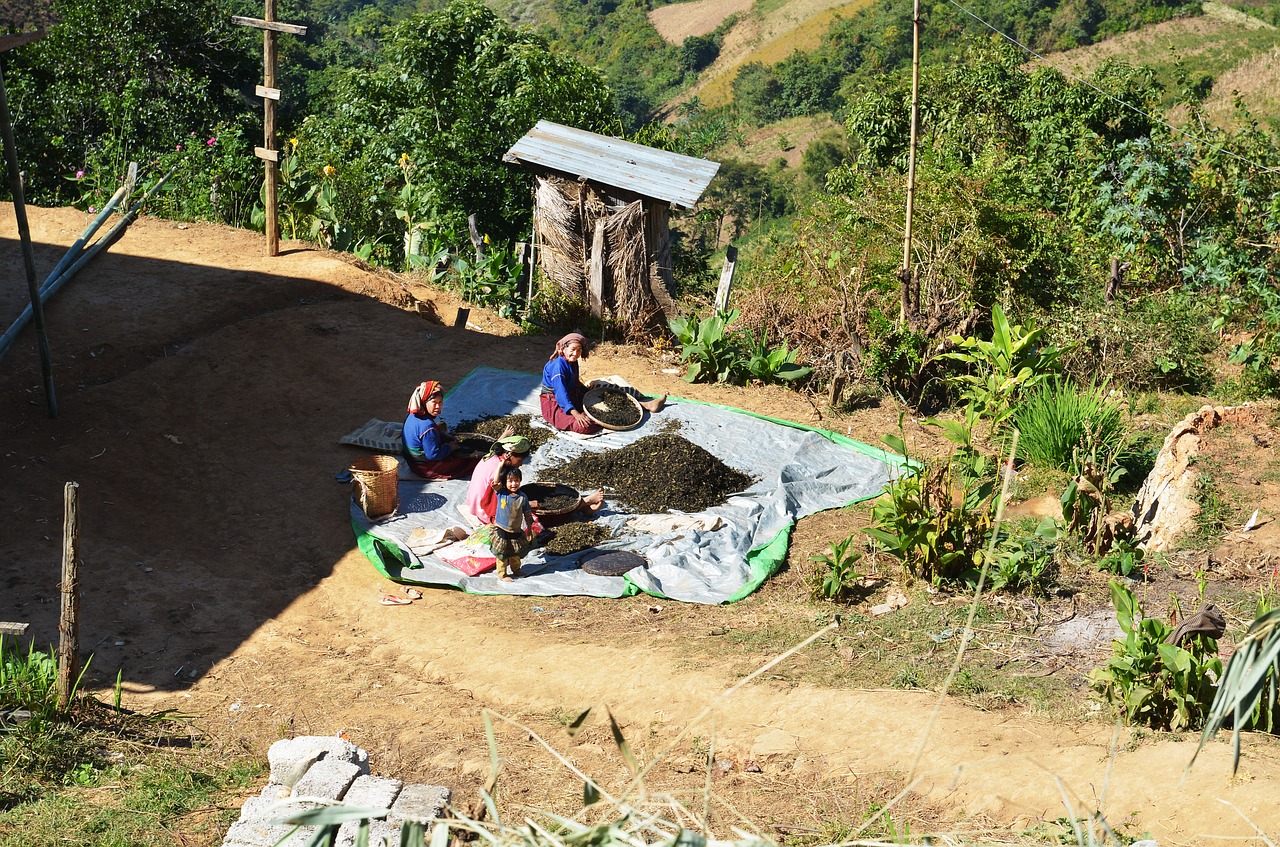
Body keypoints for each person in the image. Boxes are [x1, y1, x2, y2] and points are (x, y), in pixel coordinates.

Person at [539, 332, 666, 434]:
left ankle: (645, 405)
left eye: (579, 350)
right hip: (554, 403)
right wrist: (576, 414)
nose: (575, 354)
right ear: (564, 348)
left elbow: (574, 382)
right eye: (572, 349)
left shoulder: (572, 361)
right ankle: (593, 416)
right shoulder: (558, 366)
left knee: (606, 399)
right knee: (584, 425)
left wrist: (588, 392)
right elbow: (560, 392)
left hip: (572, 394)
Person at [402, 380, 480, 480]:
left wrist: (443, 435)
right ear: (424, 402)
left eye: (440, 402)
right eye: (434, 402)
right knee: (470, 462)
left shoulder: (413, 414)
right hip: (424, 468)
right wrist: (450, 447)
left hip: (411, 462)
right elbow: (433, 455)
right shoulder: (427, 426)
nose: (438, 406)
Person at [464, 435, 532, 525]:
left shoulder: (492, 456)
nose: (521, 464)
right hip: (484, 512)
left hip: (474, 504)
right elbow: (501, 501)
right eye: (520, 460)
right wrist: (527, 504)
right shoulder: (499, 473)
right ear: (510, 455)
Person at [489, 467, 535, 581]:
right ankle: (502, 574)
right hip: (502, 530)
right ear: (505, 482)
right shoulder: (501, 493)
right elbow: (495, 481)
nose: (514, 483)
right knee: (502, 554)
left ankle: (516, 569)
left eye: (516, 480)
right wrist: (500, 465)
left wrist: (529, 530)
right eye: (510, 481)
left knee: (515, 553)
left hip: (516, 530)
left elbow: (528, 515)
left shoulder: (522, 497)